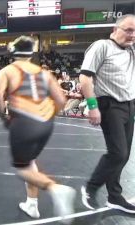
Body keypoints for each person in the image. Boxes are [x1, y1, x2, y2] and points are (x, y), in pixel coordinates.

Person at [0, 36, 76, 223]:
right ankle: (32, 204)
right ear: (31, 53)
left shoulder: (8, 70)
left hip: (23, 122)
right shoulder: (44, 73)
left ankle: (55, 188)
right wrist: (47, 115)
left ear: (13, 52)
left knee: (21, 169)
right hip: (46, 124)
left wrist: (4, 117)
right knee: (30, 163)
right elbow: (61, 101)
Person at [79, 14, 135, 213]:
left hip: (129, 105)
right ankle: (90, 188)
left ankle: (114, 196)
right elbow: (85, 79)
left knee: (125, 154)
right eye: (128, 30)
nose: (132, 35)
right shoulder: (102, 46)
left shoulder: (131, 51)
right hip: (110, 105)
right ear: (114, 29)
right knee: (118, 153)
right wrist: (92, 106)